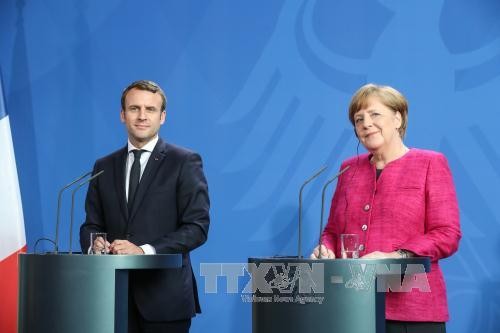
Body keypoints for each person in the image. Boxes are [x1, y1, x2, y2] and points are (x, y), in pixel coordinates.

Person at [311, 83, 461, 333]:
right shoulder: (348, 170)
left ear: (398, 117)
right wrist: (325, 249)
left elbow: (447, 234)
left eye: (374, 114)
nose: (366, 123)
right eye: (359, 119)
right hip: (352, 306)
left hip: (412, 311)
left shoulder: (430, 163)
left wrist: (398, 256)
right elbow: (332, 231)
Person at [80, 80, 210, 333]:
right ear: (122, 115)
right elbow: (92, 224)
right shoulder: (103, 166)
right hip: (110, 299)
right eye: (134, 108)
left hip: (164, 302)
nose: (141, 116)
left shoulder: (184, 162)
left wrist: (144, 250)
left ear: (162, 117)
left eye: (150, 110)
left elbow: (197, 227)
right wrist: (95, 244)